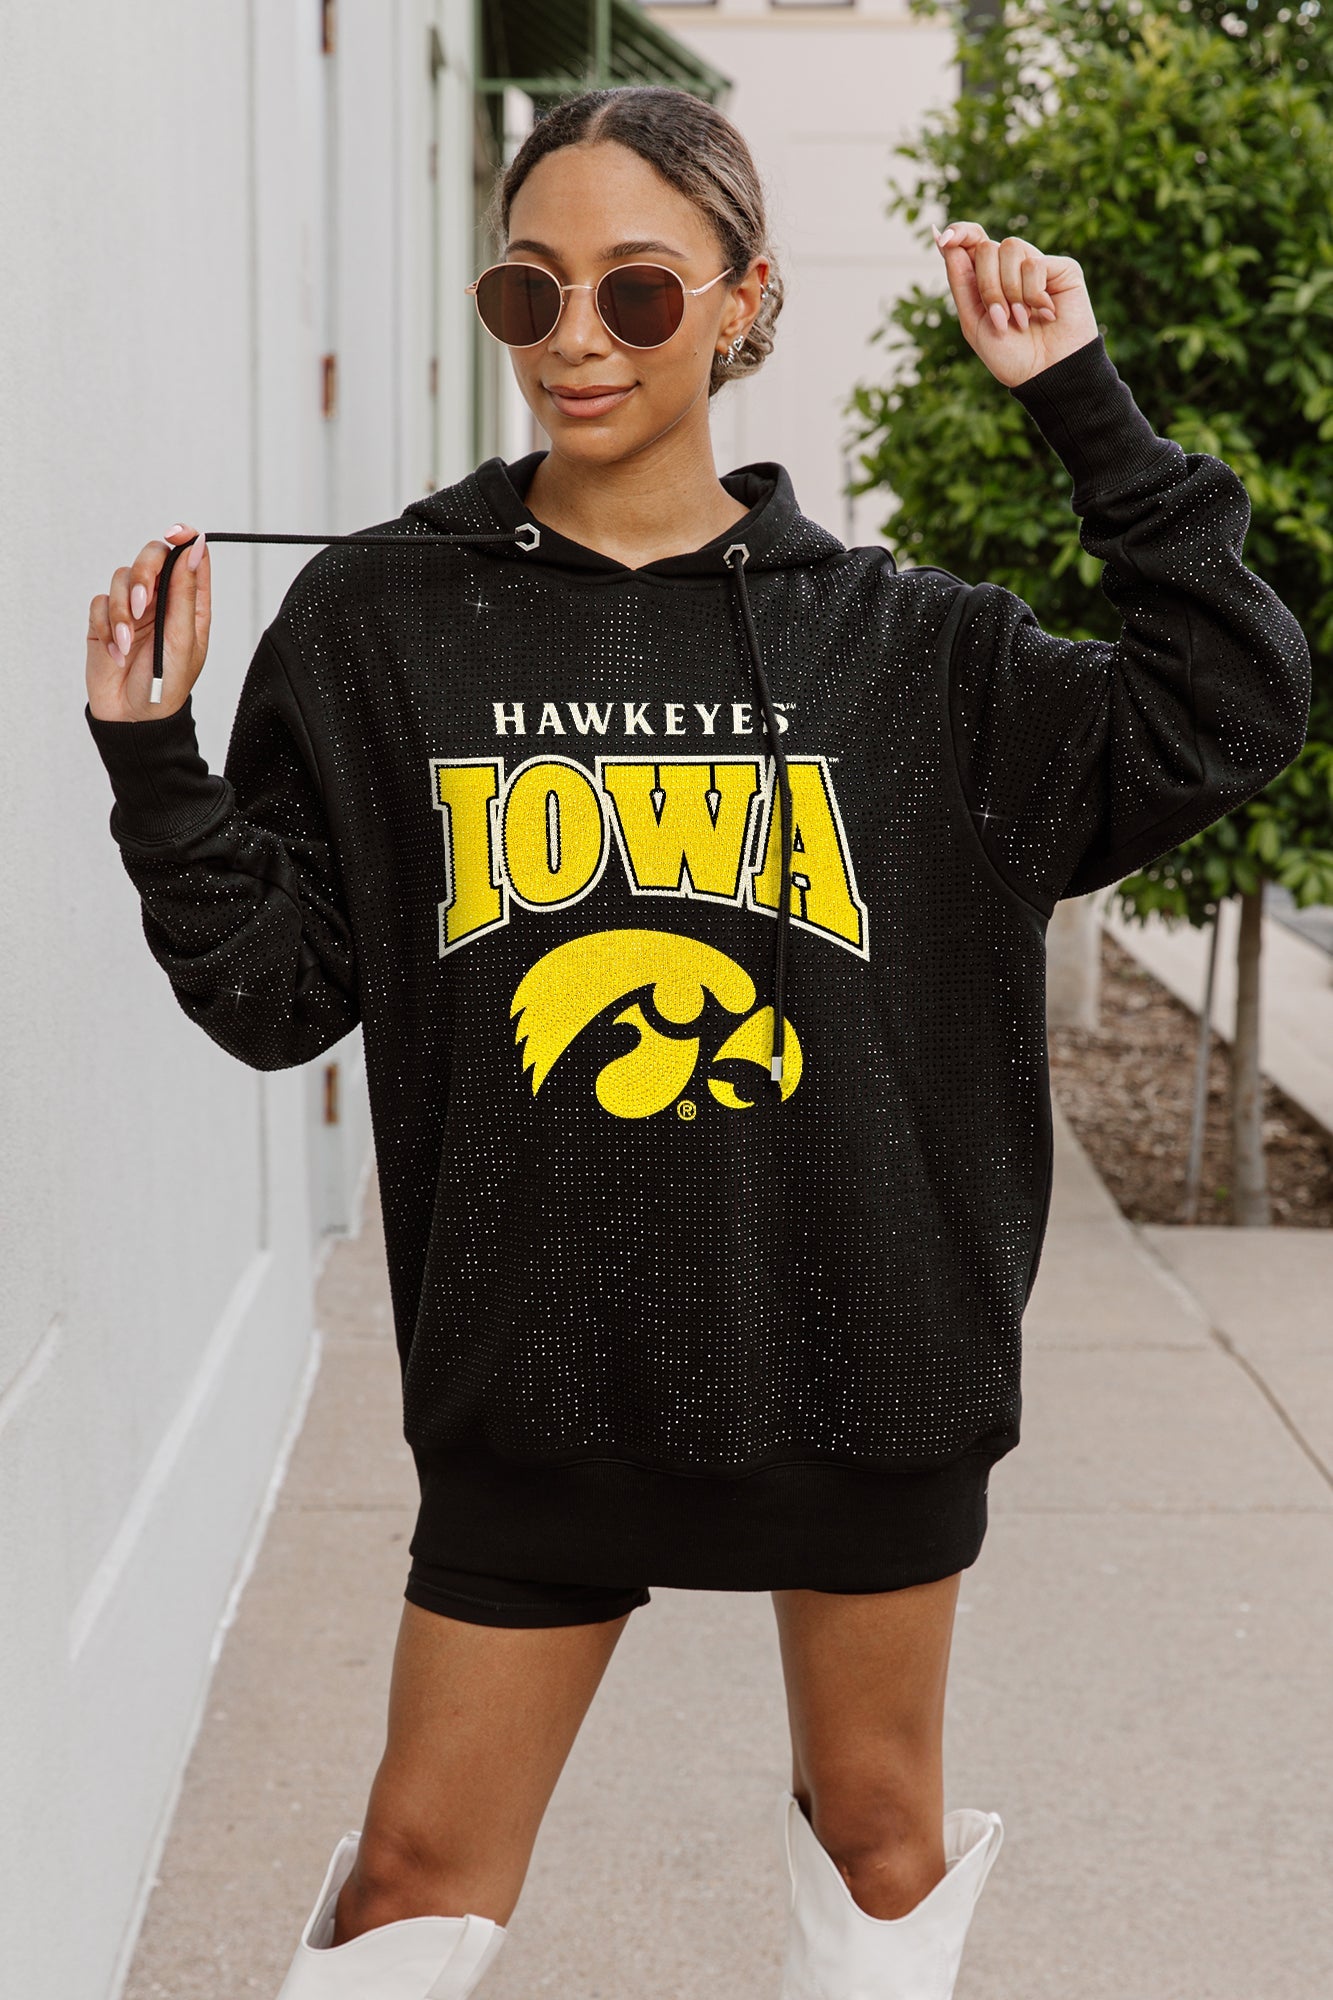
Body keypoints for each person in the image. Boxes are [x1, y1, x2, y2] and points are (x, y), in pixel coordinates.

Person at [85, 84, 1309, 2000]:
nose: (575, 339)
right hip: (535, 1374)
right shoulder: (379, 621)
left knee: (880, 1838)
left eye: (636, 293)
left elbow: (1227, 699)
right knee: (412, 1874)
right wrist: (155, 763)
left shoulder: (905, 647)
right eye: (528, 291)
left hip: (862, 1364)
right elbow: (275, 998)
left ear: (743, 302)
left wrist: (1080, 401)